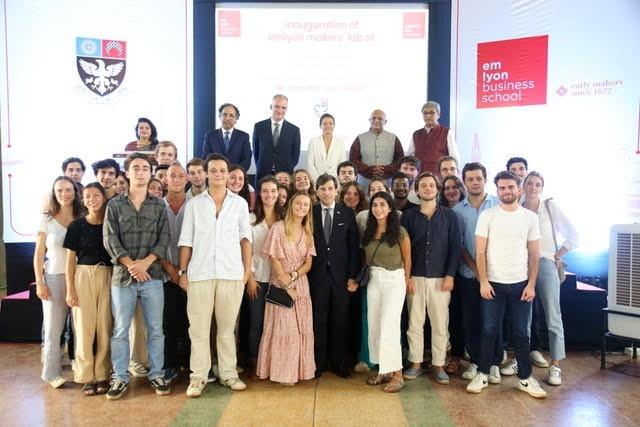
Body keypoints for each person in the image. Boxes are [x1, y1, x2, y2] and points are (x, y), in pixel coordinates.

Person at [467, 171, 546, 399]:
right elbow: (480, 253)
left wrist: (531, 284)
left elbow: (534, 254)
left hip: (521, 284)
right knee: (489, 329)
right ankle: (482, 373)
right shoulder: (488, 215)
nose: (506, 191)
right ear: (497, 190)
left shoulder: (529, 218)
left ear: (519, 189)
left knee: (522, 333)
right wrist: (483, 281)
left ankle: (525, 378)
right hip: (493, 283)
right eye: (502, 188)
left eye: (511, 187)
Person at [178, 154, 252, 397]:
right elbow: (186, 241)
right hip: (199, 275)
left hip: (231, 274)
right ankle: (198, 376)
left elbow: (245, 240)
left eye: (223, 170)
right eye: (214, 170)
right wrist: (183, 272)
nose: (219, 174)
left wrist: (245, 272)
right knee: (198, 330)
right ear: (206, 173)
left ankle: (228, 373)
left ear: (228, 174)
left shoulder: (239, 204)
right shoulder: (194, 204)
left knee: (227, 329)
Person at [103, 152, 171, 400]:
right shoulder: (114, 205)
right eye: (136, 168)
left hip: (152, 277)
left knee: (155, 329)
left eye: (145, 168)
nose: (140, 172)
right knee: (120, 330)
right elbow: (110, 239)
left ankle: (157, 374)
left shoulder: (158, 205)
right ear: (127, 172)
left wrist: (145, 263)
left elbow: (164, 239)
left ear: (150, 173)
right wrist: (132, 265)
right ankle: (120, 377)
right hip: (123, 278)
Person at [517, 171, 578, 386]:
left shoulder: (551, 208)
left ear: (542, 187)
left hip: (545, 264)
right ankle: (521, 360)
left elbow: (574, 235)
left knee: (553, 315)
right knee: (522, 318)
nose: (533, 187)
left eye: (537, 184)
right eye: (530, 183)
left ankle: (556, 365)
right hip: (520, 265)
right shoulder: (517, 206)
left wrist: (557, 255)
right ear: (523, 186)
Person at [401, 172, 461, 385]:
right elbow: (402, 250)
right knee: (415, 322)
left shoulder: (449, 216)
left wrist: (450, 275)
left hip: (440, 279)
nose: (427, 188)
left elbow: (456, 248)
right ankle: (415, 363)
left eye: (431, 185)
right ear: (416, 189)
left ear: (437, 189)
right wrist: (406, 277)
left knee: (439, 323)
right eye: (423, 185)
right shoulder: (407, 216)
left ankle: (438, 364)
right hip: (414, 277)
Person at [256, 192, 316, 385]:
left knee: (301, 329)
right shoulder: (278, 228)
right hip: (281, 284)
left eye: (306, 205)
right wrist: (287, 284)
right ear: (291, 205)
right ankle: (282, 373)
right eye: (298, 203)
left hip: (301, 284)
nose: (302, 207)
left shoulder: (308, 232)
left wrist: (295, 276)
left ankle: (299, 371)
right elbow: (274, 259)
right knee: (285, 328)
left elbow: (308, 263)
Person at [34, 176, 84, 389]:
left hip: (80, 278)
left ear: (75, 191)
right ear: (54, 193)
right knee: (54, 329)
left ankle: (84, 369)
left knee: (82, 328)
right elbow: (38, 253)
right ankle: (51, 373)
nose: (64, 194)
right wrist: (40, 282)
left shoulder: (83, 216)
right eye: (60, 190)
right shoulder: (46, 219)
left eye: (68, 190)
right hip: (54, 278)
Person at [308, 174, 360, 378]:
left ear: (337, 190)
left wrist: (353, 276)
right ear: (317, 191)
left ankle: (339, 363)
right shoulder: (310, 212)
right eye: (322, 189)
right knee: (318, 320)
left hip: (341, 278)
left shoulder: (346, 213)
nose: (327, 192)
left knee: (340, 320)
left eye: (330, 188)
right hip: (316, 276)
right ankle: (319, 363)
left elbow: (354, 248)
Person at [63, 182, 113, 396]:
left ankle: (103, 375)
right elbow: (70, 260)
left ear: (103, 198)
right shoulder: (76, 226)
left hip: (108, 275)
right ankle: (86, 377)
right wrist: (70, 289)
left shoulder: (111, 223)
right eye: (87, 196)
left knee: (105, 327)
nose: (92, 199)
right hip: (82, 276)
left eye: (96, 195)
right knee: (84, 328)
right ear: (82, 199)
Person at [451, 162, 499, 381]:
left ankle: (494, 363)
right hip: (469, 274)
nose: (474, 182)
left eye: (478, 178)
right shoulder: (457, 211)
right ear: (464, 181)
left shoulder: (498, 205)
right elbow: (459, 245)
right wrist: (476, 270)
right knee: (471, 320)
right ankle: (477, 362)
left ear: (485, 179)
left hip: (496, 274)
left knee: (492, 321)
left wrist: (486, 272)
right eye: (470, 179)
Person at [361, 191, 411, 393]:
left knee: (390, 326)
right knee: (375, 325)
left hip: (394, 280)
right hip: (374, 279)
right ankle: (383, 369)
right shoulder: (368, 231)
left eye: (383, 204)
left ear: (390, 208)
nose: (378, 208)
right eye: (375, 205)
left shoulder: (400, 232)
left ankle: (397, 374)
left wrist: (406, 282)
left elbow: (408, 261)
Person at [245, 176, 285, 376]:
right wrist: (250, 278)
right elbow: (246, 250)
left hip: (279, 280)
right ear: (259, 193)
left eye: (273, 191)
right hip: (258, 279)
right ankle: (255, 361)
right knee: (257, 321)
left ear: (279, 194)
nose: (270, 195)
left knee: (277, 322)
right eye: (266, 191)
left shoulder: (284, 219)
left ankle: (273, 361)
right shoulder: (250, 219)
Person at [160, 163, 190, 382]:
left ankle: (191, 365)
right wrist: (172, 270)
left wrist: (184, 272)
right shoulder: (157, 206)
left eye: (181, 175)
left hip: (191, 275)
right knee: (168, 322)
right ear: (165, 179)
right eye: (173, 176)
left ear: (187, 179)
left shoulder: (197, 205)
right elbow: (153, 241)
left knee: (192, 323)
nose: (177, 179)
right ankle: (169, 365)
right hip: (164, 272)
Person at [252, 94, 301, 185]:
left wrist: (285, 167)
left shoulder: (294, 130)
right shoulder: (259, 127)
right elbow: (256, 153)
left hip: (285, 176)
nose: (280, 110)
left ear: (286, 109)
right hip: (263, 174)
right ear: (271, 107)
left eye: (283, 107)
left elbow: (295, 156)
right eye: (277, 106)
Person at [349, 109, 404, 188]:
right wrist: (370, 170)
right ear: (369, 120)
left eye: (380, 118)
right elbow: (353, 159)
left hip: (388, 181)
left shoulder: (393, 138)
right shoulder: (360, 138)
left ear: (385, 122)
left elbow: (400, 159)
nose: (376, 120)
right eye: (373, 118)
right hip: (364, 182)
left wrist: (385, 170)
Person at [407, 101, 460, 174]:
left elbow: (453, 156)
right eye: (425, 113)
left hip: (439, 177)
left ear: (438, 115)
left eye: (432, 113)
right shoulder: (416, 134)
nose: (428, 116)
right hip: (420, 177)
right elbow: (410, 157)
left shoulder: (446, 132)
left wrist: (455, 175)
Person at [201, 103, 252, 171]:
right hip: (216, 176)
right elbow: (206, 159)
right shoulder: (210, 136)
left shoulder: (244, 137)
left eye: (231, 115)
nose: (227, 118)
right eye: (224, 115)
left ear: (236, 119)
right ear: (220, 116)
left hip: (236, 178)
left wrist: (234, 173)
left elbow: (246, 160)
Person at [306, 113, 346, 183]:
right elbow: (310, 164)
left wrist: (334, 180)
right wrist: (319, 180)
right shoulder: (313, 142)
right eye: (325, 123)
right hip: (317, 182)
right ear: (320, 126)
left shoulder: (340, 143)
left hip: (335, 182)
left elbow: (342, 165)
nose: (328, 126)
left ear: (334, 126)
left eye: (330, 123)